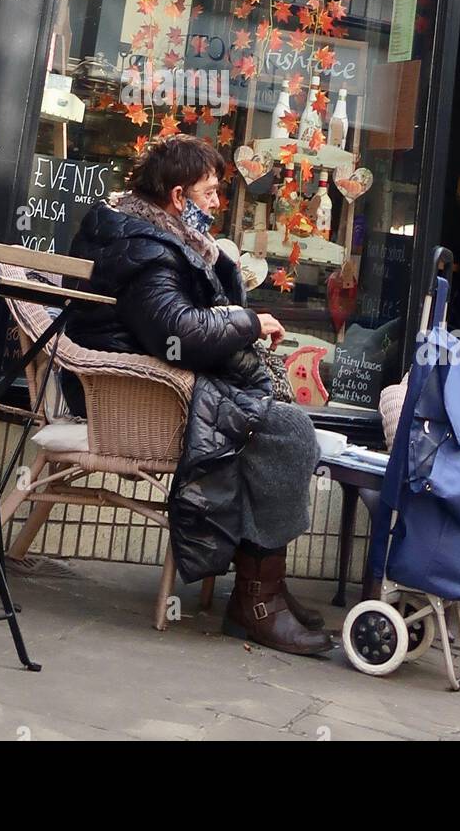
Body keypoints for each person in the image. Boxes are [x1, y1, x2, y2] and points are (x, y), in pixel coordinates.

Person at [70, 134, 331, 656]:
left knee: (275, 424)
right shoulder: (145, 249)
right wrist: (247, 321)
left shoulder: (153, 236)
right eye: (209, 192)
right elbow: (178, 333)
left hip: (166, 384)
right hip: (138, 395)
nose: (217, 203)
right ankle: (257, 600)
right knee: (288, 432)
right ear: (177, 195)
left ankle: (263, 588)